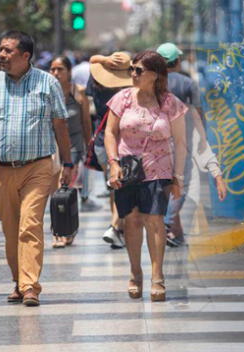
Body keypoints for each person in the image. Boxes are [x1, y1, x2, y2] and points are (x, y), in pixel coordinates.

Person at [0, 30, 72, 307]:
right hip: (0, 170)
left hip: (37, 167)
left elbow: (60, 124)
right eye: (1, 49)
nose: (1, 55)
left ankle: (30, 286)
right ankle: (19, 281)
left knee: (30, 225)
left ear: (26, 56)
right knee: (12, 230)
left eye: (8, 51)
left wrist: (68, 162)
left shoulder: (47, 83)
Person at [104, 50, 188, 302]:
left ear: (154, 75)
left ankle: (157, 276)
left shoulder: (169, 102)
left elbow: (181, 142)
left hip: (158, 169)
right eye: (131, 69)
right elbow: (110, 133)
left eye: (138, 70)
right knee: (131, 220)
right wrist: (113, 163)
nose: (133, 74)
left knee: (155, 220)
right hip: (127, 170)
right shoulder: (122, 99)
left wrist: (178, 177)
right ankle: (135, 273)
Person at [156, 42, 227, 246]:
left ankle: (175, 233)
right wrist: (201, 131)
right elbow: (197, 111)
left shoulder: (153, 83)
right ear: (177, 61)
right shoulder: (187, 83)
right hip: (183, 141)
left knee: (166, 186)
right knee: (182, 185)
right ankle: (169, 222)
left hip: (158, 143)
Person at [87, 52, 133, 249]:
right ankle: (115, 226)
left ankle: (117, 227)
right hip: (122, 141)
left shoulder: (96, 82)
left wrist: (102, 60)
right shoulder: (126, 89)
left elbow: (92, 61)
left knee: (113, 183)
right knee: (122, 185)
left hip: (100, 141)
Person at [49, 55, 96, 248]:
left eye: (60, 69)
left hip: (74, 147)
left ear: (69, 71)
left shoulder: (79, 93)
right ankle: (59, 230)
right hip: (53, 147)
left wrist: (89, 147)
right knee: (55, 191)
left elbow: (86, 122)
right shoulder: (48, 92)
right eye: (53, 69)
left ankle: (65, 231)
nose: (56, 73)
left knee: (65, 184)